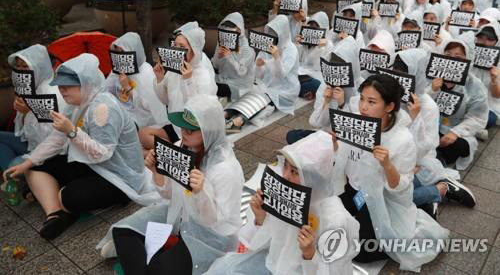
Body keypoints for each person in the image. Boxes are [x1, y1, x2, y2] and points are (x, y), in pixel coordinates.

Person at [3, 54, 159, 239]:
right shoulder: (76, 104)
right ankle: (55, 214)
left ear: (85, 83)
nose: (62, 91)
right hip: (89, 163)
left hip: (119, 175)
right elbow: (56, 139)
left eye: (68, 87)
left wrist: (72, 132)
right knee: (35, 168)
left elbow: (103, 153)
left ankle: (68, 202)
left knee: (67, 196)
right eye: (60, 86)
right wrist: (27, 163)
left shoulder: (103, 107)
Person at [98, 95, 244, 275]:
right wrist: (156, 170)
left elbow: (214, 222)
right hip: (180, 213)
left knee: (158, 269)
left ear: (209, 131)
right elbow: (168, 195)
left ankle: (142, 259)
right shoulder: (182, 147)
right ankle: (146, 261)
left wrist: (201, 192)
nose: (184, 133)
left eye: (191, 130)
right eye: (183, 127)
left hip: (209, 235)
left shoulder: (225, 169)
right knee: (122, 231)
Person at [204, 130, 360, 275]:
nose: (285, 176)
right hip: (272, 264)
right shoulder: (282, 194)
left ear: (313, 176)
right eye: (285, 166)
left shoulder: (335, 219)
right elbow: (260, 243)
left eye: (294, 171)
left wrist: (309, 254)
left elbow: (336, 270)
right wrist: (260, 218)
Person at [337, 74, 449, 271]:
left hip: (384, 197)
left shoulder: (402, 138)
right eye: (362, 98)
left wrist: (388, 165)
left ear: (389, 107)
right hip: (355, 188)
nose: (363, 107)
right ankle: (428, 194)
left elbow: (401, 187)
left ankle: (427, 203)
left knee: (363, 251)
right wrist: (335, 145)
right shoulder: (356, 122)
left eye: (372, 102)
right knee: (326, 224)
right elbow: (345, 163)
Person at [392, 49, 475, 217]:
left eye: (404, 75)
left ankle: (439, 190)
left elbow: (426, 145)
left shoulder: (428, 107)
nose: (398, 81)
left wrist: (415, 120)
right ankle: (430, 197)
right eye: (395, 74)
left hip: (418, 160)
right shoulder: (391, 96)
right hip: (391, 156)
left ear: (417, 75)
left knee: (398, 195)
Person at [139, 22, 218, 148]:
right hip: (176, 125)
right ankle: (174, 148)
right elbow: (165, 100)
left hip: (193, 130)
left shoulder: (203, 75)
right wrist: (159, 79)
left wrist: (188, 80)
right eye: (175, 45)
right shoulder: (173, 70)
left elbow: (196, 113)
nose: (176, 49)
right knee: (143, 134)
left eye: (182, 46)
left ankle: (174, 149)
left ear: (194, 50)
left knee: (187, 148)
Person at [225, 15, 300, 133]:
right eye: (270, 33)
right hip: (266, 84)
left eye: (275, 33)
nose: (272, 36)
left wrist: (276, 58)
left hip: (285, 89)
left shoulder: (291, 50)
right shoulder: (268, 46)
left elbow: (281, 76)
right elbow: (259, 76)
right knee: (252, 94)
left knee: (264, 98)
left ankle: (240, 120)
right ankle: (228, 113)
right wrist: (259, 66)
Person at [1, 45, 66, 171]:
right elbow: (22, 134)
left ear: (39, 67)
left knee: (15, 165)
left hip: (50, 153)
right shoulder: (29, 88)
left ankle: (17, 177)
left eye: (25, 66)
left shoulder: (55, 92)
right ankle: (14, 177)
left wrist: (30, 111)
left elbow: (53, 139)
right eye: (18, 66)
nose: (21, 70)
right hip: (31, 145)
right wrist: (23, 113)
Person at [286, 36, 362, 143]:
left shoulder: (361, 90)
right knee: (292, 136)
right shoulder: (325, 85)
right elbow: (315, 123)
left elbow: (355, 132)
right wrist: (326, 102)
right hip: (325, 137)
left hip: (343, 144)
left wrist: (341, 105)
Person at [428, 38, 489, 170]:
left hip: (455, 131)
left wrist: (455, 133)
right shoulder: (431, 76)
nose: (452, 60)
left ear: (467, 60)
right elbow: (417, 106)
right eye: (448, 55)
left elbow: (477, 116)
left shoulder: (474, 84)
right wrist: (431, 90)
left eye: (458, 57)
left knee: (460, 146)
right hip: (430, 128)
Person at [105, 32, 169, 152]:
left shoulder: (146, 73)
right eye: (117, 54)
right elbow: (105, 91)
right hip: (123, 115)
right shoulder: (116, 70)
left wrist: (127, 88)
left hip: (145, 121)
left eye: (123, 54)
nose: (121, 58)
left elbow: (150, 106)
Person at [212, 12, 256, 101]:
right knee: (207, 83)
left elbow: (242, 72)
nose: (228, 31)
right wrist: (219, 56)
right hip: (223, 78)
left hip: (239, 83)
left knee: (216, 88)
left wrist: (230, 58)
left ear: (240, 30)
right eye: (225, 29)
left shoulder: (247, 48)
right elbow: (215, 66)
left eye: (231, 29)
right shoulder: (222, 43)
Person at [471, 22, 500, 139]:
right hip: (467, 100)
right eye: (481, 38)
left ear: (496, 41)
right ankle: (474, 130)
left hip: (489, 104)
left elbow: (496, 95)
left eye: (489, 39)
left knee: (490, 119)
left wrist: (494, 80)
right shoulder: (469, 54)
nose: (484, 42)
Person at [294, 11, 330, 100]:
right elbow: (297, 60)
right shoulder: (305, 41)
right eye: (311, 26)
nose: (313, 29)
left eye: (316, 27)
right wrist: (297, 45)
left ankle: (303, 91)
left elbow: (318, 67)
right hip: (300, 74)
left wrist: (319, 49)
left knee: (315, 85)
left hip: (315, 76)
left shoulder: (328, 45)